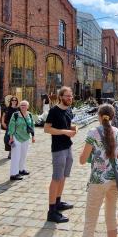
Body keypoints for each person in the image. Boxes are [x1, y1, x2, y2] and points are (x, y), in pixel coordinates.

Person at [79, 104, 118, 237]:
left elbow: (82, 160)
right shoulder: (116, 131)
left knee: (90, 221)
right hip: (113, 180)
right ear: (112, 116)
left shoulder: (93, 132)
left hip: (98, 180)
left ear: (99, 116)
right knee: (111, 216)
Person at [44, 86, 78, 223]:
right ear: (61, 97)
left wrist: (72, 128)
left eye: (71, 96)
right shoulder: (54, 111)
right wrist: (65, 131)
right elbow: (47, 129)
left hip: (68, 146)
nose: (70, 98)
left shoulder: (69, 110)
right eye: (67, 96)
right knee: (56, 178)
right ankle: (51, 211)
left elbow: (68, 125)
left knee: (63, 176)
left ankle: (58, 202)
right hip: (58, 148)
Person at [8, 100, 35, 181]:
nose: (23, 106)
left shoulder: (29, 114)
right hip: (16, 137)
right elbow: (11, 126)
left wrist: (33, 136)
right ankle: (13, 174)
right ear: (19, 106)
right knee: (16, 156)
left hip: (26, 137)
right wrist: (11, 137)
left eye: (25, 105)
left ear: (28, 106)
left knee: (23, 154)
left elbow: (32, 125)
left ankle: (21, 169)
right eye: (22, 105)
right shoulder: (15, 115)